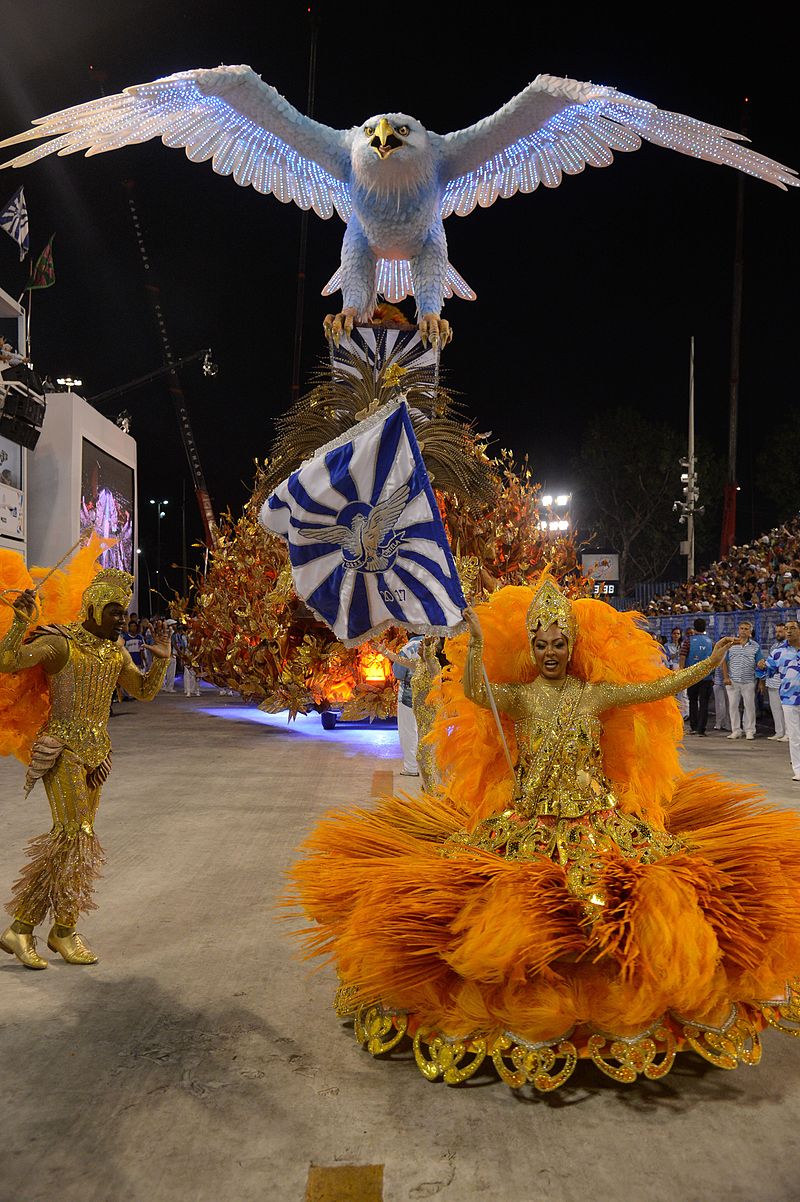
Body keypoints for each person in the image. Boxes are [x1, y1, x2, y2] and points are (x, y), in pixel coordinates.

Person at [291, 578, 800, 1091]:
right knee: (507, 902)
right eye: (542, 643)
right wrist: (476, 648)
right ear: (531, 647)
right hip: (528, 822)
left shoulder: (595, 694)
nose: (551, 652)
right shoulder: (517, 698)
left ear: (572, 646)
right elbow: (474, 692)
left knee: (615, 900)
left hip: (597, 820)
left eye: (559, 643)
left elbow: (658, 688)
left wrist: (710, 661)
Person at [0, 570, 170, 969]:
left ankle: (50, 929)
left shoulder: (115, 653)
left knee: (77, 840)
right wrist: (20, 623)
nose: (120, 619)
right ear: (92, 607)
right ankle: (39, 928)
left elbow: (143, 692)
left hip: (98, 754)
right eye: (113, 611)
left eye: (123, 612)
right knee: (75, 833)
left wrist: (161, 662)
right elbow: (6, 661)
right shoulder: (60, 643)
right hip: (62, 749)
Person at [758, 619, 800, 781]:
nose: (788, 631)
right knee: (795, 736)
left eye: (792, 628)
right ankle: (798, 770)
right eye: (786, 628)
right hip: (789, 699)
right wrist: (761, 667)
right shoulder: (778, 652)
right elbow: (767, 671)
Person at [376, 635, 424, 776]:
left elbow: (399, 672)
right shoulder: (433, 644)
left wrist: (386, 653)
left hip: (409, 696)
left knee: (408, 732)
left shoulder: (408, 649)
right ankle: (427, 768)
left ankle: (411, 767)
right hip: (429, 695)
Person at [723, 620, 763, 740]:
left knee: (749, 706)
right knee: (733, 706)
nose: (744, 631)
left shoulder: (755, 646)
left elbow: (759, 663)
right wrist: (726, 677)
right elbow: (723, 662)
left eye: (746, 629)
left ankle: (749, 730)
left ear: (750, 632)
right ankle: (736, 730)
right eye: (742, 628)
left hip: (749, 681)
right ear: (738, 630)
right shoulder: (730, 645)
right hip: (733, 681)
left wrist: (761, 680)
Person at [679, 618, 714, 736]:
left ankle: (693, 727)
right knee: (704, 703)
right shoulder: (710, 641)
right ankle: (701, 729)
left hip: (692, 676)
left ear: (694, 628)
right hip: (707, 677)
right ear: (705, 627)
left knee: (693, 701)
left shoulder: (688, 641)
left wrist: (682, 673)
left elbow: (683, 657)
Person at [763, 622, 788, 741]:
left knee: (786, 710)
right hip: (772, 682)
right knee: (775, 708)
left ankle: (788, 733)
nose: (778, 634)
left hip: (784, 683)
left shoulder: (790, 646)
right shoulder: (773, 646)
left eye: (780, 631)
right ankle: (779, 731)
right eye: (777, 631)